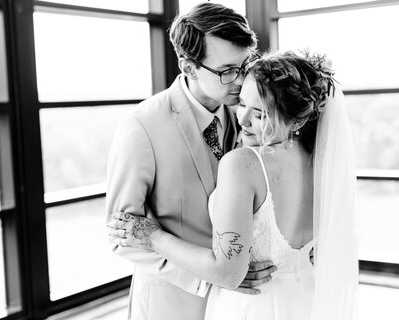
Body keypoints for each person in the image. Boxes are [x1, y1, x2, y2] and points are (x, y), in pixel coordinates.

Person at [109, 51, 359, 320]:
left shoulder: (242, 164)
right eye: (241, 103)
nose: (242, 120)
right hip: (303, 300)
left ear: (297, 120)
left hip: (252, 307)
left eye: (260, 115)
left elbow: (227, 273)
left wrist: (153, 236)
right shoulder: (322, 163)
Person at [106, 3, 275, 320]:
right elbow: (122, 236)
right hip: (172, 305)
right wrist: (213, 278)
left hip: (243, 303)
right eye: (227, 71)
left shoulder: (247, 115)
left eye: (245, 65)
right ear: (189, 67)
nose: (240, 79)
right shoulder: (140, 127)